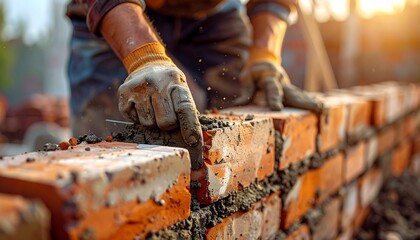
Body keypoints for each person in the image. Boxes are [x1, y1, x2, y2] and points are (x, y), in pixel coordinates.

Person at [66, 0, 322, 150]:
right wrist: (144, 58)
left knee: (232, 133)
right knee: (109, 146)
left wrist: (265, 56)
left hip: (213, 17)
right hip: (114, 10)